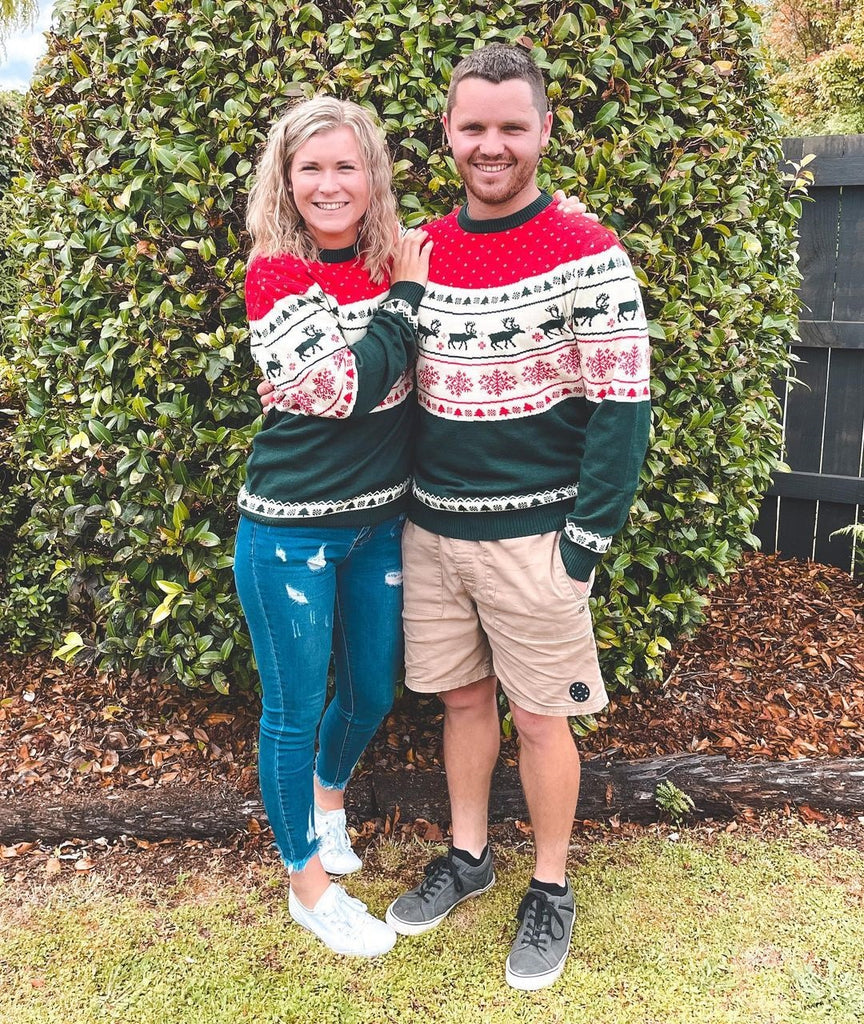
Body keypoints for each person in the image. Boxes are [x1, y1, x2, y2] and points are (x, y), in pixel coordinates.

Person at [383, 44, 651, 992]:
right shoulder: (417, 247)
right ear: (449, 134)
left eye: (509, 126)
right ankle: (467, 856)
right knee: (461, 701)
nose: (490, 145)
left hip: (537, 538)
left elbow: (623, 405)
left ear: (542, 130)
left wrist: (585, 543)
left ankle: (550, 884)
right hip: (432, 530)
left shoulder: (588, 250)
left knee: (541, 720)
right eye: (473, 127)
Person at [234, 95, 432, 957]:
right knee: (291, 707)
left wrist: (565, 214)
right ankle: (307, 886)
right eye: (310, 167)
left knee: (374, 691)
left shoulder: (397, 255)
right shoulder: (276, 275)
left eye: (345, 165)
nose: (328, 183)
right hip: (288, 533)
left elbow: (491, 238)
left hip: (376, 526)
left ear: (371, 174)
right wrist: (404, 302)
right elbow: (344, 391)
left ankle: (327, 797)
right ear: (286, 179)